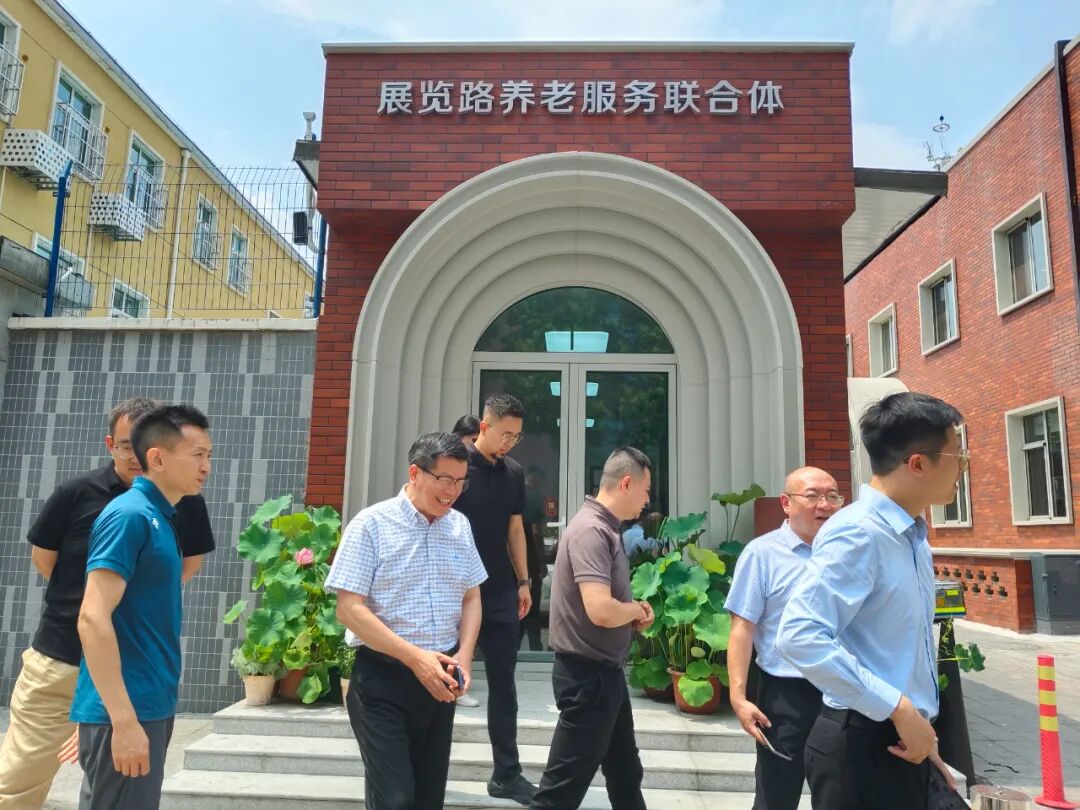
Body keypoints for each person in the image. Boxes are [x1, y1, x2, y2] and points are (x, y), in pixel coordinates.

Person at [0, 398, 215, 809]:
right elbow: (52, 568)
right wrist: (119, 715)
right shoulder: (108, 506)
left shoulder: (175, 505)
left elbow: (183, 567)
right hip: (62, 661)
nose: (205, 466)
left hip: (129, 677)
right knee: (17, 785)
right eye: (126, 445)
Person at [777, 392, 964, 810]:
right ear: (918, 464)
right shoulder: (860, 532)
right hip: (861, 749)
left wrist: (921, 731)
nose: (963, 468)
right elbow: (799, 636)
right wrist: (898, 709)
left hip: (904, 742)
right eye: (957, 457)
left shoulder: (913, 538)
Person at [326, 432, 487, 810]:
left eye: (460, 482)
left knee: (429, 800)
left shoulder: (459, 526)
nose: (452, 491)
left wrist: (464, 654)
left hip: (440, 681)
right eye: (444, 479)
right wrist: (415, 658)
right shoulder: (371, 525)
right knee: (395, 800)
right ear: (415, 473)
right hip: (382, 681)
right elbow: (348, 609)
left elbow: (472, 597)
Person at [72, 405, 212, 809]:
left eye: (209, 455)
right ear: (157, 458)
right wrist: (121, 719)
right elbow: (92, 617)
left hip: (147, 704)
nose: (206, 466)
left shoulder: (160, 517)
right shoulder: (130, 516)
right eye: (197, 455)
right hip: (128, 710)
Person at [530, 447, 654, 810]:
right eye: (646, 490)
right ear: (627, 483)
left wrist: (629, 613)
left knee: (625, 773)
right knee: (558, 794)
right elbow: (599, 609)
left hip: (602, 674)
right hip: (588, 678)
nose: (648, 500)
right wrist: (634, 610)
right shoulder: (592, 531)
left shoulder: (604, 528)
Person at [724, 466, 843, 810]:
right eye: (813, 495)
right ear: (786, 503)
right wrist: (738, 697)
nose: (825, 504)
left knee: (840, 794)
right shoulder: (761, 554)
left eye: (832, 496)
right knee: (776, 796)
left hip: (842, 690)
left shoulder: (847, 552)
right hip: (785, 695)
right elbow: (742, 628)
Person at [452, 394, 537, 804]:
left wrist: (524, 581)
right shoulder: (455, 466)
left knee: (504, 685)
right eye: (505, 434)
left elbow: (515, 529)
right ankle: (422, 766)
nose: (509, 443)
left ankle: (507, 774)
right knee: (441, 680)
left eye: (516, 437)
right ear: (484, 426)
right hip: (453, 591)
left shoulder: (513, 473)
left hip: (500, 590)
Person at [450, 413, 485, 707]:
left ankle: (459, 681)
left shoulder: (476, 469)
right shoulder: (450, 467)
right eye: (472, 440)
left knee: (468, 615)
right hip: (450, 550)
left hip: (468, 549)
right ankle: (455, 683)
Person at [520, 466, 547, 652]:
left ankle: (515, 647)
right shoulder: (535, 498)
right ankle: (535, 647)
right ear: (536, 479)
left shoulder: (516, 494)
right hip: (530, 556)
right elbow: (537, 533)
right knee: (533, 605)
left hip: (512, 559)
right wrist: (542, 561)